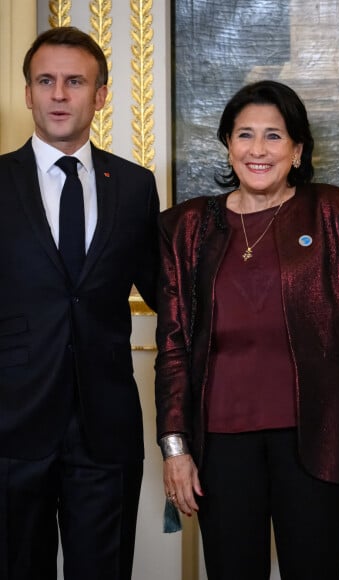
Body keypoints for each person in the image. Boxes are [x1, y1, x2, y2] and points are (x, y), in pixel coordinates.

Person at [155, 80, 339, 579]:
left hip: (318, 438)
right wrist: (174, 447)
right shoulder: (188, 227)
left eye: (274, 136)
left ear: (298, 149)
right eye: (244, 135)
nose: (257, 150)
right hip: (220, 445)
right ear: (227, 144)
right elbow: (173, 345)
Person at [0, 27, 159, 579]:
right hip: (11, 427)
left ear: (101, 94)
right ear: (28, 93)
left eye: (74, 81)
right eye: (46, 81)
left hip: (107, 427)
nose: (59, 94)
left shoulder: (135, 186)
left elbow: (170, 294)